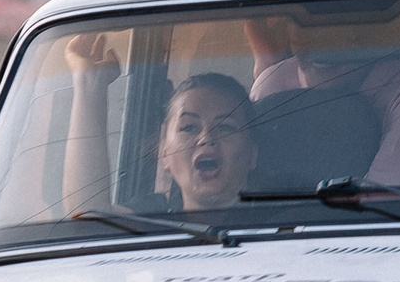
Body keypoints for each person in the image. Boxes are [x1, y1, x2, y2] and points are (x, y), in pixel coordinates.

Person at [58, 56, 260, 219]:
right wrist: (90, 85)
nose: (206, 138)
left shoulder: (285, 226)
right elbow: (88, 215)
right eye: (188, 127)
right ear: (165, 154)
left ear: (253, 154)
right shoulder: (151, 217)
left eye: (225, 127)